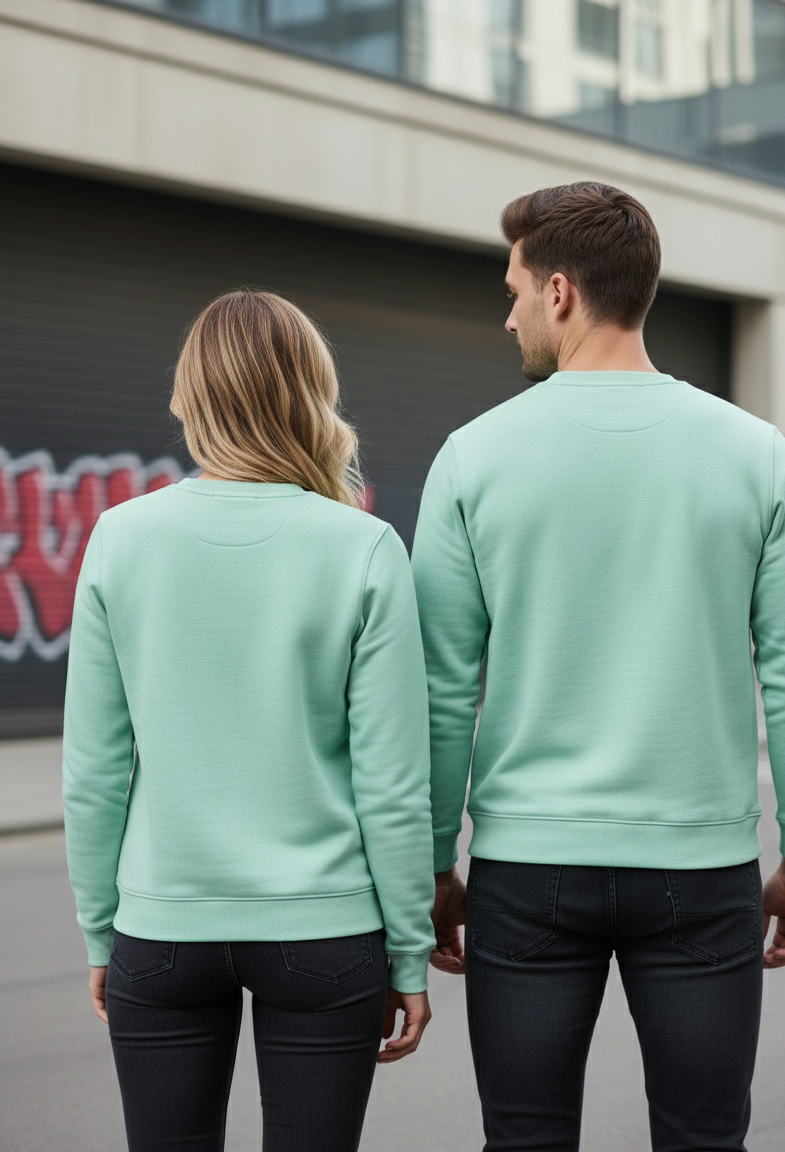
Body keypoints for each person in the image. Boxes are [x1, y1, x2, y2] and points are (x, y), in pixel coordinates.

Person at [412, 183, 785, 1152]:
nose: (507, 310)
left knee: (524, 1139)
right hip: (699, 870)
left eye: (515, 288)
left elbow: (438, 689)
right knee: (700, 1138)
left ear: (560, 292)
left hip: (528, 869)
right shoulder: (754, 455)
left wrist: (435, 860)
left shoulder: (471, 459)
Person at [63, 289, 436, 1152]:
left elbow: (91, 771)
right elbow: (391, 782)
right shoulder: (365, 547)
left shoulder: (120, 539)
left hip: (162, 928)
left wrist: (98, 930)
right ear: (312, 394)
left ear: (191, 398)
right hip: (324, 927)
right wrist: (408, 952)